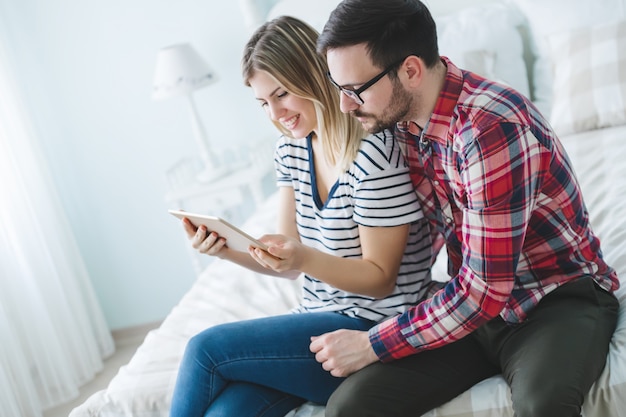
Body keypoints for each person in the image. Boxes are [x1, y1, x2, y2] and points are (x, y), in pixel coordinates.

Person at [308, 1, 621, 416]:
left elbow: (483, 292)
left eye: (356, 90)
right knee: (350, 406)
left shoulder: (490, 129)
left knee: (542, 405)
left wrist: (373, 343)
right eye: (340, 89)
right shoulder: (398, 120)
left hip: (555, 296)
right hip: (472, 309)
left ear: (411, 70)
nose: (346, 105)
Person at [168, 15, 434, 417]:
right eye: (263, 103)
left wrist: (303, 258)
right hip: (313, 324)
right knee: (225, 413)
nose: (275, 113)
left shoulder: (375, 154)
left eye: (282, 95)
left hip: (370, 332)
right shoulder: (291, 151)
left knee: (205, 349)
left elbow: (380, 280)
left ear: (315, 77)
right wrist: (224, 249)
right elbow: (287, 264)